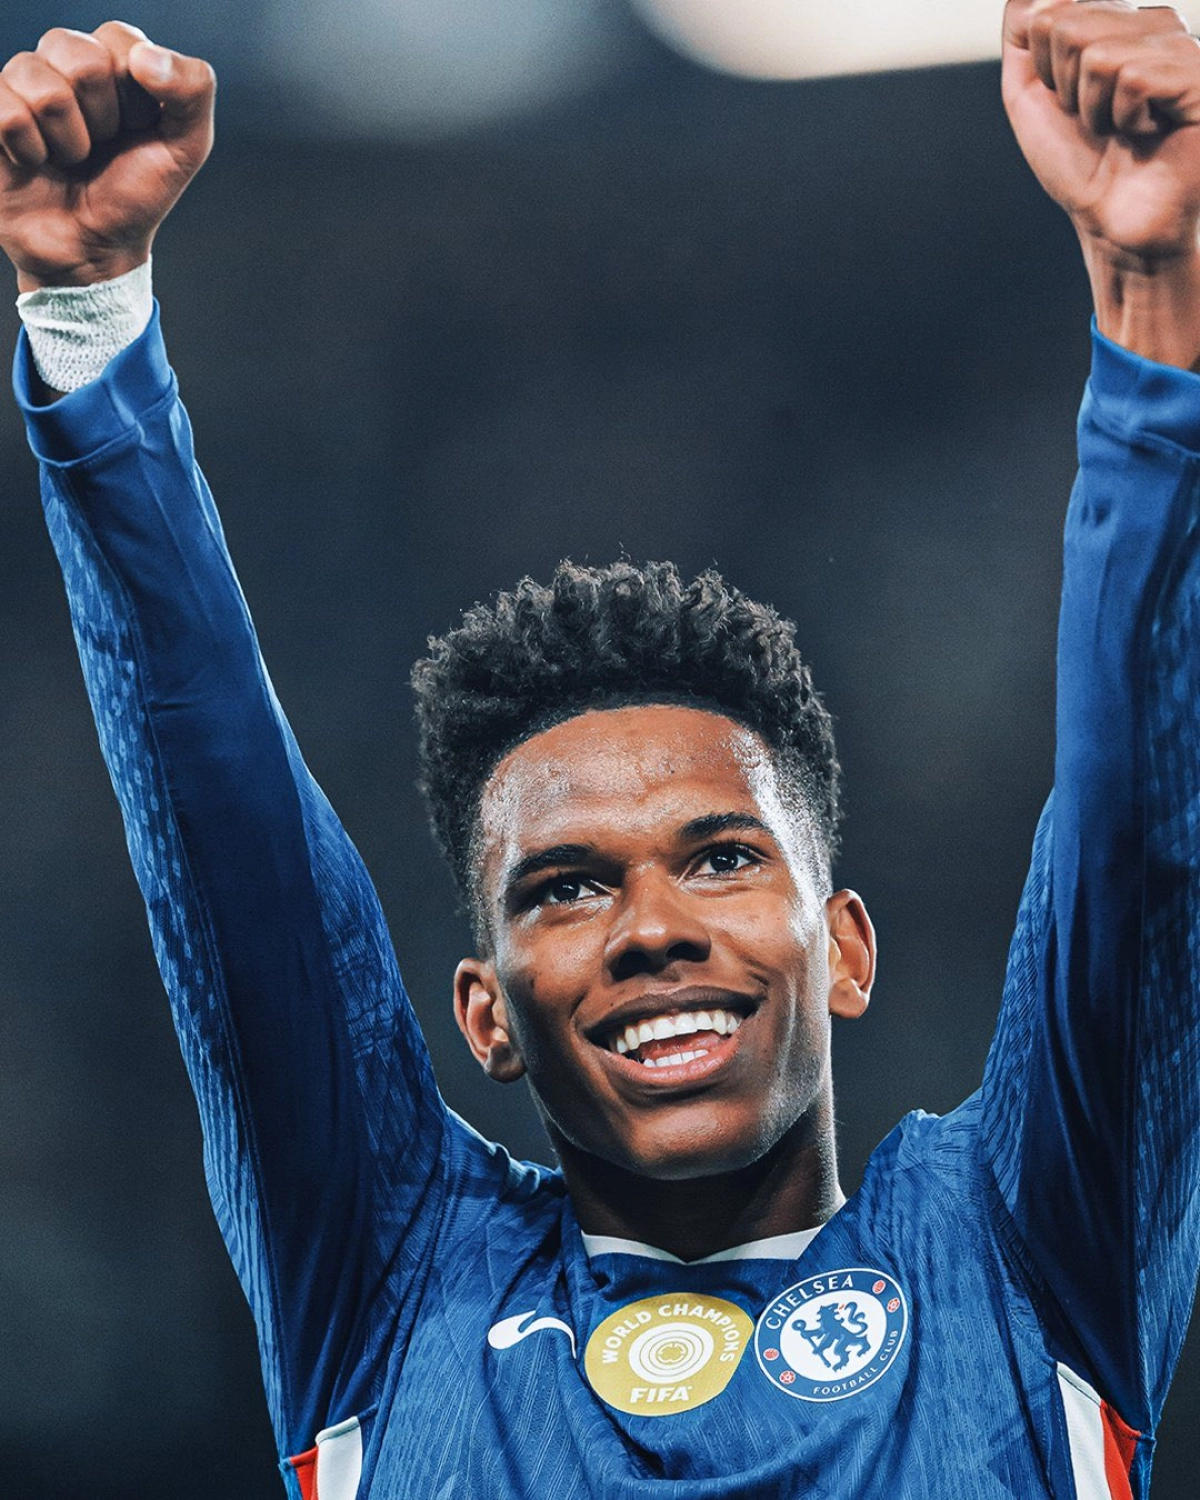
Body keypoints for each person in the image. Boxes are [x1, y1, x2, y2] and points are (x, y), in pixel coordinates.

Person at [3, 3, 1199, 1496]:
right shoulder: (400, 1284)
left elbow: (1139, 826)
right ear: (485, 1015)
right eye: (565, 886)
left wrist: (1152, 287)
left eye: (722, 857)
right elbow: (217, 815)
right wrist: (86, 315)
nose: (651, 929)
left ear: (844, 946)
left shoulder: (1016, 1251)